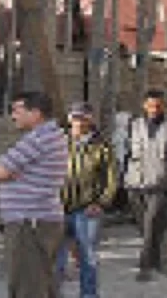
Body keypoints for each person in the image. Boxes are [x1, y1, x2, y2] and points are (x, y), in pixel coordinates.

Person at [0, 91, 68, 298]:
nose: (13, 116)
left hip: (30, 222)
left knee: (28, 286)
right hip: (39, 219)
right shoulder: (51, 136)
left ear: (35, 113)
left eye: (17, 110)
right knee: (42, 283)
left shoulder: (39, 139)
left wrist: (10, 173)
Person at [123, 89, 167, 282]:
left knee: (151, 222)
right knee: (148, 226)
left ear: (164, 107)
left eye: (158, 106)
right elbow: (126, 150)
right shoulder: (134, 125)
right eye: (151, 106)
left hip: (160, 182)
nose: (154, 109)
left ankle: (145, 266)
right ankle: (160, 259)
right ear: (144, 105)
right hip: (135, 182)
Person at [57, 102, 117, 298]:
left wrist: (101, 203)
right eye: (75, 118)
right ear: (69, 119)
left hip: (87, 210)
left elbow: (111, 179)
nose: (78, 122)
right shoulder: (59, 143)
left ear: (90, 119)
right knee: (56, 259)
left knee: (87, 257)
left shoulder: (102, 146)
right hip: (58, 208)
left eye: (82, 118)